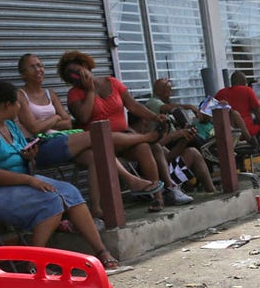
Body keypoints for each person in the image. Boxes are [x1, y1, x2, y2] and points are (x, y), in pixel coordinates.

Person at [0, 81, 119, 268]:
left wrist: (29, 157)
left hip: (20, 182)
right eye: (18, 103)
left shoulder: (11, 126)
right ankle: (34, 262)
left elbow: (21, 159)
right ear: (7, 105)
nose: (21, 107)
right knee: (52, 201)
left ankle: (101, 251)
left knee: (70, 192)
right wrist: (30, 181)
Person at [15, 53, 164, 214]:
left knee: (96, 156)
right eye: (33, 66)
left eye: (40, 65)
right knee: (98, 135)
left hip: (64, 140)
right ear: (23, 74)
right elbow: (35, 128)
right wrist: (56, 117)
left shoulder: (50, 94)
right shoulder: (20, 95)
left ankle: (97, 210)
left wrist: (53, 121)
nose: (39, 69)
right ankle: (135, 170)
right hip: (40, 146)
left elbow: (67, 123)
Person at [59, 51, 193, 211]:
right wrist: (89, 91)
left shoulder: (112, 83)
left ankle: (158, 197)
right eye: (71, 76)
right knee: (137, 141)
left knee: (144, 147)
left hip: (124, 140)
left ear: (86, 66)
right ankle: (147, 137)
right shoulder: (74, 94)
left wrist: (154, 117)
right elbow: (84, 116)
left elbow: (133, 105)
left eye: (78, 71)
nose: (76, 77)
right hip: (99, 143)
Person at [216, 71, 260, 175]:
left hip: (229, 132)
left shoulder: (220, 93)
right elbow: (258, 111)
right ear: (244, 82)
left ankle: (242, 165)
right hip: (247, 131)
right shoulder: (247, 90)